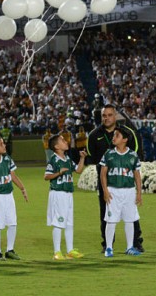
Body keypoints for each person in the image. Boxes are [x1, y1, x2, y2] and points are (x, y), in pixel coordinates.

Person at [86, 104, 144, 252]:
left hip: (126, 180)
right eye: (104, 116)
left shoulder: (128, 133)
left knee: (131, 214)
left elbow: (136, 153)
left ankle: (136, 243)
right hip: (106, 180)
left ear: (115, 116)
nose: (106, 118)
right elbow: (93, 157)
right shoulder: (93, 135)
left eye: (109, 115)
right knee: (105, 213)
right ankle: (107, 245)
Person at [100, 126, 142, 257]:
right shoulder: (109, 154)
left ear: (124, 139)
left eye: (116, 135)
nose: (113, 137)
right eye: (113, 135)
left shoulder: (133, 155)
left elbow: (137, 175)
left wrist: (139, 193)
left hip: (129, 191)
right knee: (111, 220)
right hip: (113, 191)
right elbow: (103, 174)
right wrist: (105, 191)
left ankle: (129, 247)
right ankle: (108, 248)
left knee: (130, 220)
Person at [45, 133, 86, 261]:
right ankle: (57, 252)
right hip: (58, 193)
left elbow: (78, 170)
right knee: (59, 222)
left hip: (68, 194)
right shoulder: (54, 159)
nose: (66, 141)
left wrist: (82, 159)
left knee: (69, 223)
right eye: (62, 140)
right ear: (57, 146)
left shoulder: (67, 158)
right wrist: (58, 173)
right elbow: (46, 176)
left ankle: (70, 250)